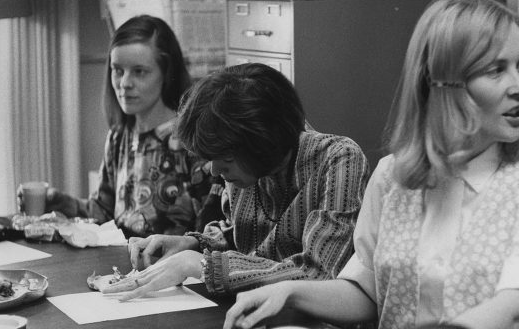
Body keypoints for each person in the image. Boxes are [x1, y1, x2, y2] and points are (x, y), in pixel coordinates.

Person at [222, 0, 519, 329]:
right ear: (442, 85)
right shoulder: (393, 177)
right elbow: (367, 292)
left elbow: (512, 315)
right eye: (497, 70)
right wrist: (288, 291)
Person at [102, 62, 370, 297]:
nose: (214, 172)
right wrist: (194, 244)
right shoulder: (244, 161)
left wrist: (202, 266)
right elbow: (241, 236)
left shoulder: (339, 160)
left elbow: (318, 274)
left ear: (265, 144)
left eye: (225, 160)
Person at [18, 15, 223, 237]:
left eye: (139, 71)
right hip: (120, 265)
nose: (124, 83)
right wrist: (61, 204)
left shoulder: (191, 140)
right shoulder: (119, 137)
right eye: (118, 70)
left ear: (166, 73)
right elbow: (104, 214)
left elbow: (211, 232)